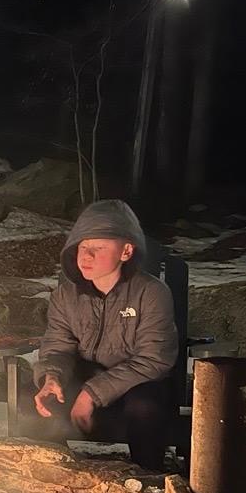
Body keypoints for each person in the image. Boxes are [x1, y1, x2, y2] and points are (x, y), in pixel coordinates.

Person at [32, 199, 178, 470]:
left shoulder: (152, 294)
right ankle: (53, 480)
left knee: (145, 406)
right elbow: (57, 348)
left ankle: (147, 481)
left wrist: (91, 394)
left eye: (98, 248)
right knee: (40, 403)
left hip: (137, 387)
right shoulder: (66, 295)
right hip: (85, 378)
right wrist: (51, 377)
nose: (86, 256)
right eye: (82, 247)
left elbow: (154, 360)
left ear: (126, 251)